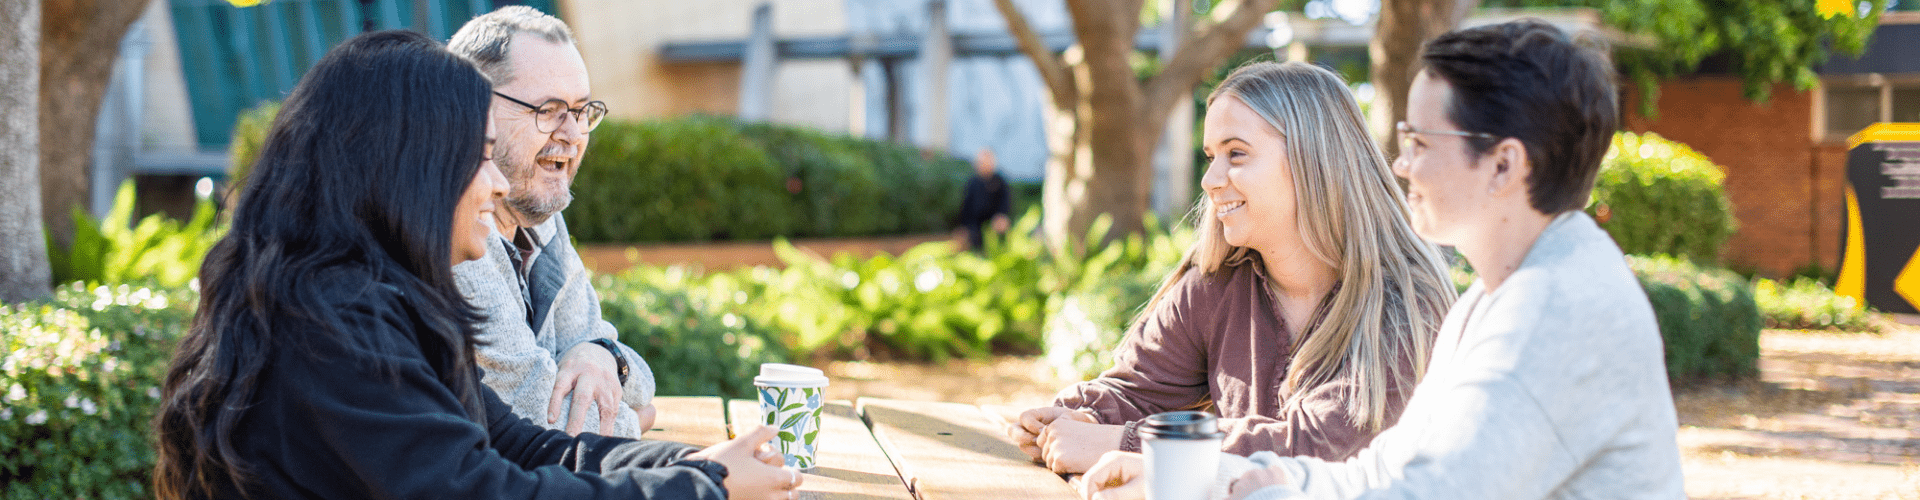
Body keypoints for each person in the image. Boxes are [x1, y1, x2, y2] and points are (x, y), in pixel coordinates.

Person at [150, 30, 801, 499]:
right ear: (409, 172)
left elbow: (522, 442)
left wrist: (698, 461)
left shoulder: (383, 301)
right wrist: (705, 484)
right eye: (478, 156)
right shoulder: (330, 322)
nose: (496, 184)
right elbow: (485, 489)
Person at [1080, 20, 1686, 500]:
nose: (1399, 165)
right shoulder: (1497, 297)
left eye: (1421, 144)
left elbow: (1428, 494)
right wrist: (1198, 480)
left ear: (1504, 164)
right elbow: (1382, 472)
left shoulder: (1555, 310)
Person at [1008, 61, 1456, 474]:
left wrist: (1126, 443)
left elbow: (1321, 448)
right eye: (1210, 156)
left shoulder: (1403, 303)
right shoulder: (1216, 285)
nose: (1210, 179)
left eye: (1236, 154)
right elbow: (1140, 389)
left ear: (1314, 161)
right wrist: (1077, 416)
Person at [446, 6, 657, 439]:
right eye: (548, 110)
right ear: (471, 110)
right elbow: (542, 422)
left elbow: (639, 384)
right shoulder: (455, 236)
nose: (574, 134)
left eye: (581, 111)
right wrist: (638, 421)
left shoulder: (540, 220)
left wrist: (598, 353)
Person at [958, 147, 1013, 252]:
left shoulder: (1000, 182)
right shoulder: (972, 183)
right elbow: (966, 208)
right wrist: (963, 226)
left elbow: (1006, 204)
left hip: (995, 223)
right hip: (975, 225)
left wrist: (1002, 216)